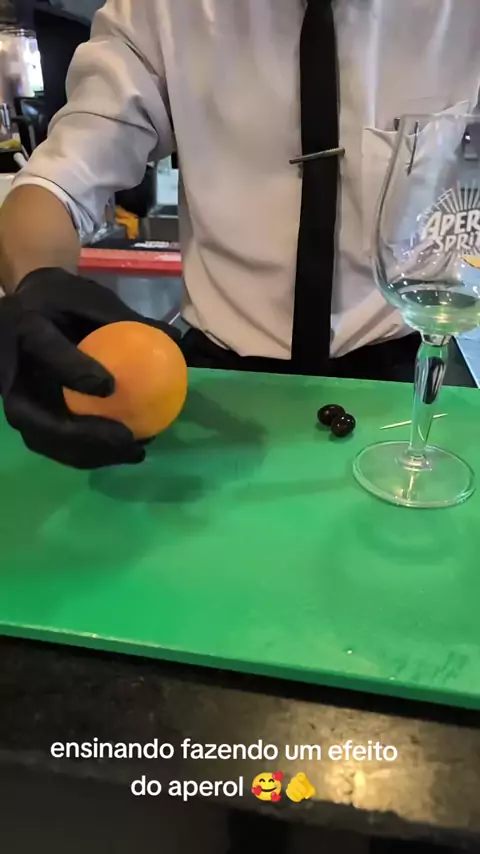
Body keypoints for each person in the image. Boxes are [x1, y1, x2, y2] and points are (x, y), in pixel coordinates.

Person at [0, 0, 478, 470]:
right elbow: (58, 183)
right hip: (214, 388)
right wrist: (36, 282)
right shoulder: (162, 11)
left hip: (406, 379)